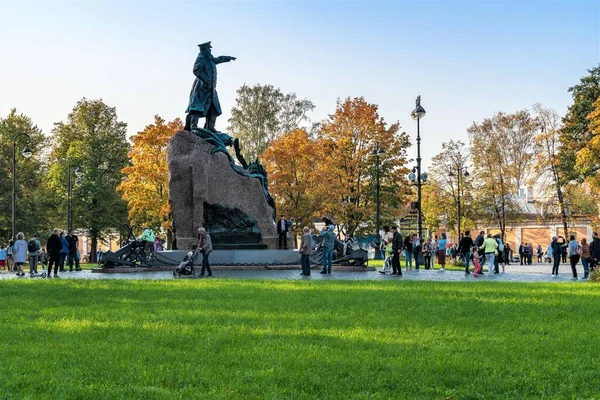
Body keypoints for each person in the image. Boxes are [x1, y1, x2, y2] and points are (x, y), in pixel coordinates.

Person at [185, 41, 236, 132]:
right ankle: (193, 126)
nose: (210, 50)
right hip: (201, 88)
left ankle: (210, 127)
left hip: (211, 89)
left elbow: (218, 59)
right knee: (196, 107)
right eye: (209, 49)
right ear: (204, 49)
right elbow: (196, 70)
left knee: (214, 107)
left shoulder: (210, 59)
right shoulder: (201, 58)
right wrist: (206, 80)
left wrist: (228, 58)